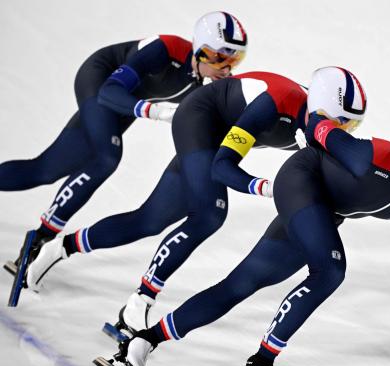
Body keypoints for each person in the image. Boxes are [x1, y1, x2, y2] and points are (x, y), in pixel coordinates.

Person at [95, 110, 390, 366]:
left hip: (324, 210)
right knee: (331, 270)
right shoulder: (371, 157)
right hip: (301, 180)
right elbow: (319, 123)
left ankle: (143, 342)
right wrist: (314, 130)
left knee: (240, 285)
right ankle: (260, 364)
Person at [27, 67, 367, 343]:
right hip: (198, 120)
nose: (341, 131)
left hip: (212, 139)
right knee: (210, 214)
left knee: (148, 220)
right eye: (340, 122)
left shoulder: (316, 128)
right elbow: (222, 165)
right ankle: (141, 300)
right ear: (317, 110)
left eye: (352, 125)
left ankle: (61, 247)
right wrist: (259, 186)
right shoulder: (275, 103)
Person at [0, 11, 248, 283]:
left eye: (234, 60)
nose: (227, 68)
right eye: (221, 58)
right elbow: (109, 91)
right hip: (102, 83)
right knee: (106, 156)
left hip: (126, 104)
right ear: (201, 51)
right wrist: (152, 111)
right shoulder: (166, 49)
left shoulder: (203, 86)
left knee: (45, 170)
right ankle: (41, 238)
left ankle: (42, 237)